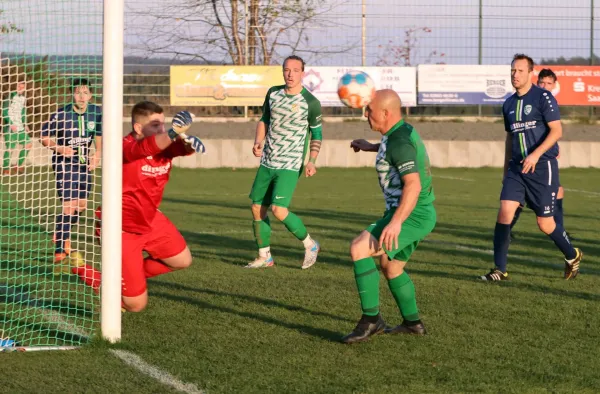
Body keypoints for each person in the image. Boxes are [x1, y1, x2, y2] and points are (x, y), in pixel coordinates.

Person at [82, 102, 206, 312]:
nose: (161, 130)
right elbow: (145, 148)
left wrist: (189, 145)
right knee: (135, 305)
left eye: (163, 125)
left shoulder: (163, 145)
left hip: (150, 219)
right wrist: (172, 132)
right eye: (155, 126)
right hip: (121, 228)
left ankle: (123, 278)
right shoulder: (123, 147)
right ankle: (81, 269)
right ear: (138, 128)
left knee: (182, 260)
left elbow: (178, 148)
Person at [342, 89, 436, 344]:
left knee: (359, 248)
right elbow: (395, 152)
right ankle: (413, 323)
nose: (365, 114)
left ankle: (371, 320)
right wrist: (371, 146)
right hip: (416, 213)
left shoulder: (398, 141)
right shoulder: (398, 133)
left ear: (385, 112)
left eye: (369, 110)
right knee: (391, 266)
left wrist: (396, 223)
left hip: (411, 214)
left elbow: (413, 185)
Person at [481, 54, 582, 282]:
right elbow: (510, 139)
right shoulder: (508, 104)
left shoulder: (543, 97)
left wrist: (536, 155)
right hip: (516, 169)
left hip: (542, 167)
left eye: (520, 71)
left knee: (545, 224)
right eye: (513, 71)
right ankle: (500, 269)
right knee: (505, 212)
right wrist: (506, 169)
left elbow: (556, 131)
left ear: (530, 73)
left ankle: (572, 255)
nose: (515, 75)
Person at [247, 55, 322, 269]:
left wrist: (312, 161)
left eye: (295, 70)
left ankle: (310, 245)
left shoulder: (310, 102)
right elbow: (265, 120)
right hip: (268, 160)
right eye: (287, 70)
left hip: (290, 163)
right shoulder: (273, 93)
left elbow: (317, 134)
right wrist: (258, 141)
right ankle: (265, 257)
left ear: (302, 73)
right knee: (257, 207)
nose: (290, 74)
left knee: (279, 210)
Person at [40, 78, 102, 265]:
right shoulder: (61, 114)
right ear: (72, 94)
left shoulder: (96, 112)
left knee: (81, 205)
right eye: (77, 92)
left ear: (90, 95)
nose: (81, 96)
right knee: (69, 206)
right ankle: (60, 248)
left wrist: (97, 154)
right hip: (64, 164)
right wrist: (59, 148)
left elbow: (98, 135)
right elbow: (43, 137)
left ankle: (61, 232)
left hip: (84, 164)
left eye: (85, 93)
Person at [510, 68, 569, 239]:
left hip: (545, 157)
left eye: (548, 83)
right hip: (529, 157)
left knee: (558, 190)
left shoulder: (549, 102)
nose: (544, 86)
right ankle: (508, 229)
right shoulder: (534, 100)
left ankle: (559, 231)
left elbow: (554, 130)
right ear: (537, 82)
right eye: (542, 82)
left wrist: (553, 149)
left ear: (554, 85)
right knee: (520, 195)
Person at [2, 76, 31, 175]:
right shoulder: (10, 97)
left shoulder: (23, 98)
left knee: (28, 144)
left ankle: (18, 165)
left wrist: (25, 124)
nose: (21, 88)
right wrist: (10, 124)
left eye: (23, 86)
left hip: (20, 127)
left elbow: (23, 112)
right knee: (10, 148)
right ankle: (5, 169)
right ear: (16, 86)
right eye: (19, 86)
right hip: (10, 128)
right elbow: (4, 111)